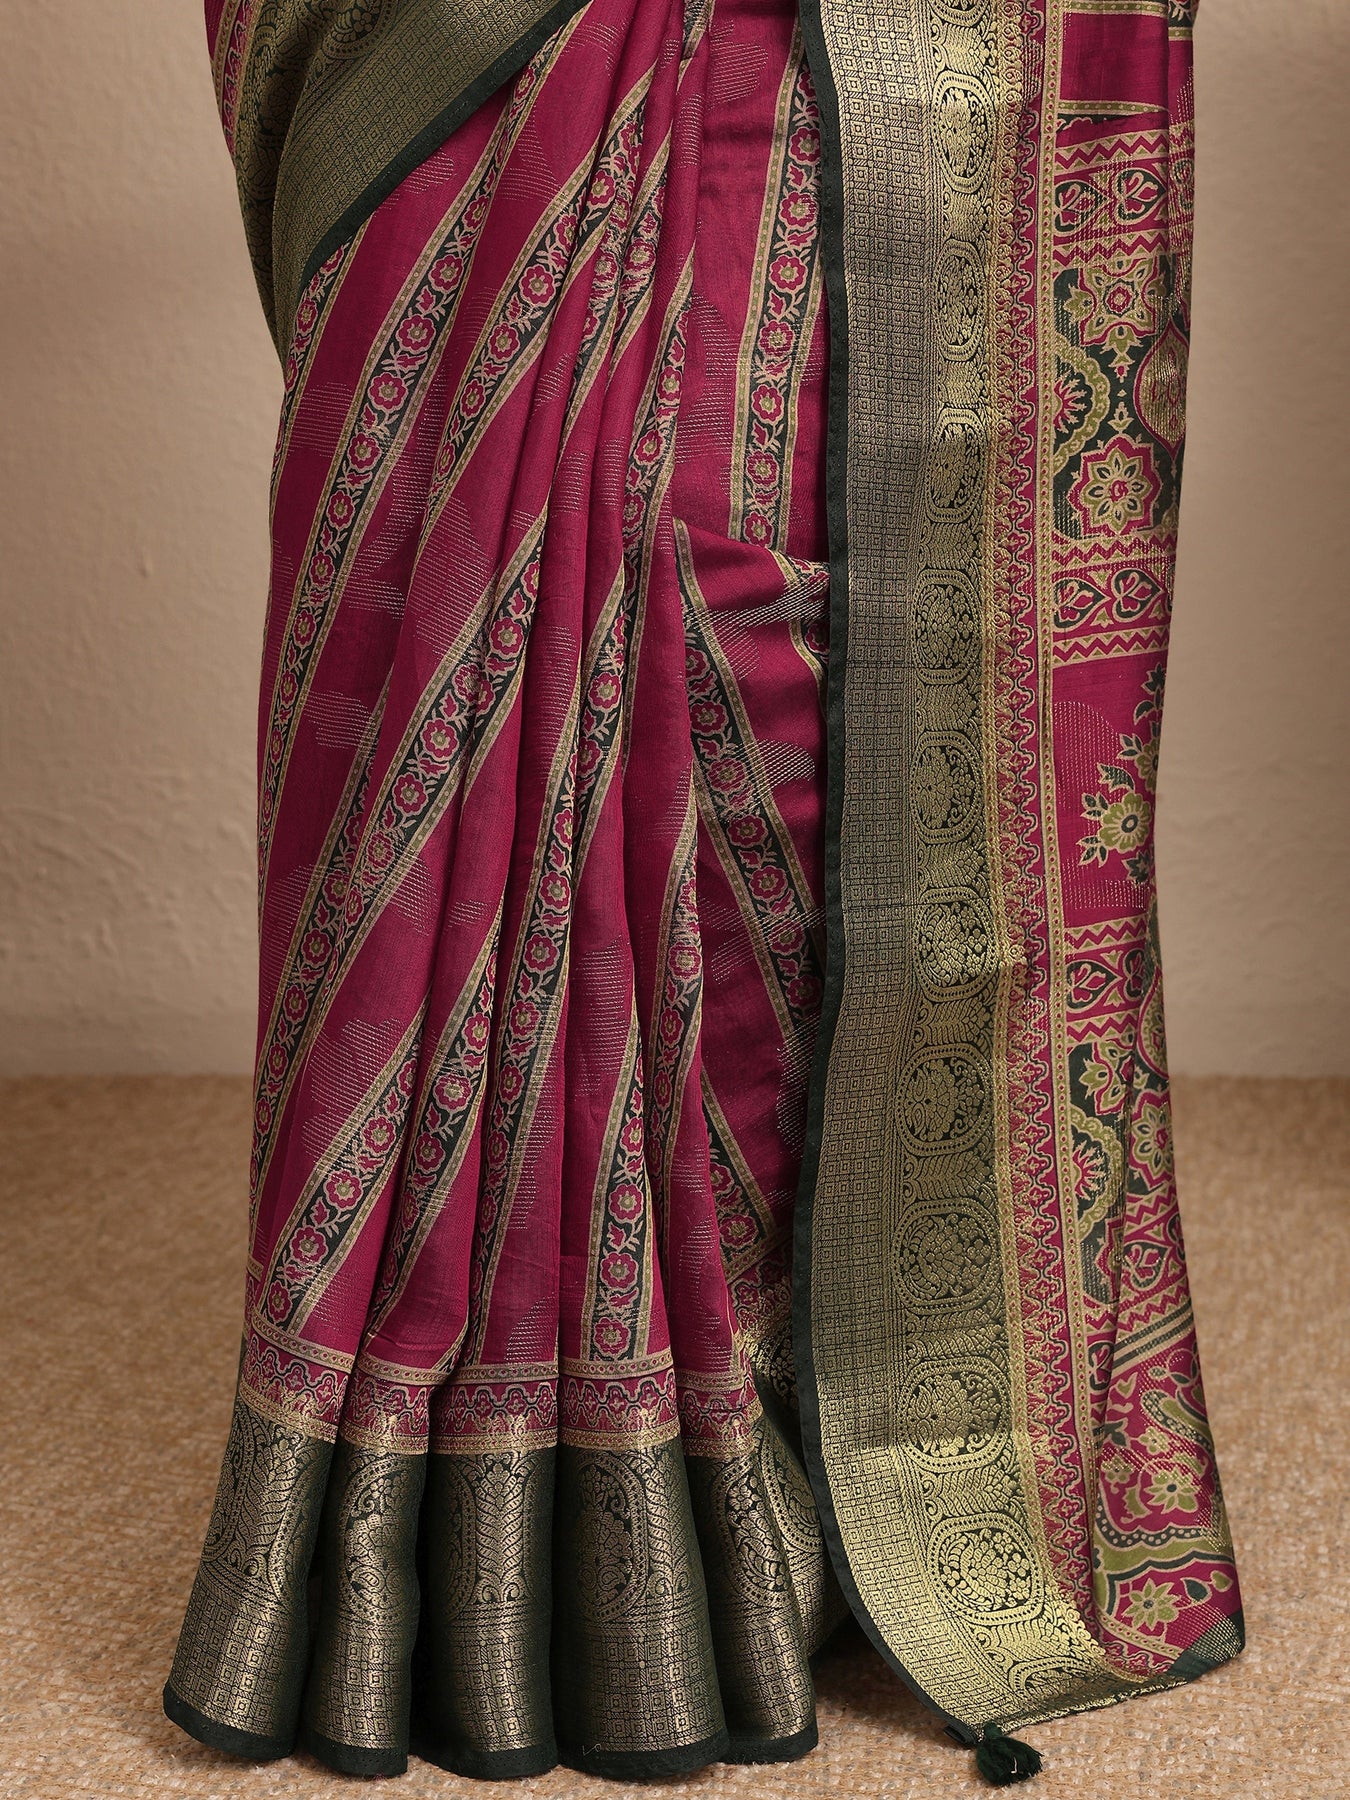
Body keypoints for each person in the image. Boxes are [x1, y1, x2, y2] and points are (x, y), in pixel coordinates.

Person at [165, 0, 1242, 1784]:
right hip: (519, 74)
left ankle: (797, 1455)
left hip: (820, 91)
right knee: (508, 616)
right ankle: (506, 1495)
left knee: (771, 677)